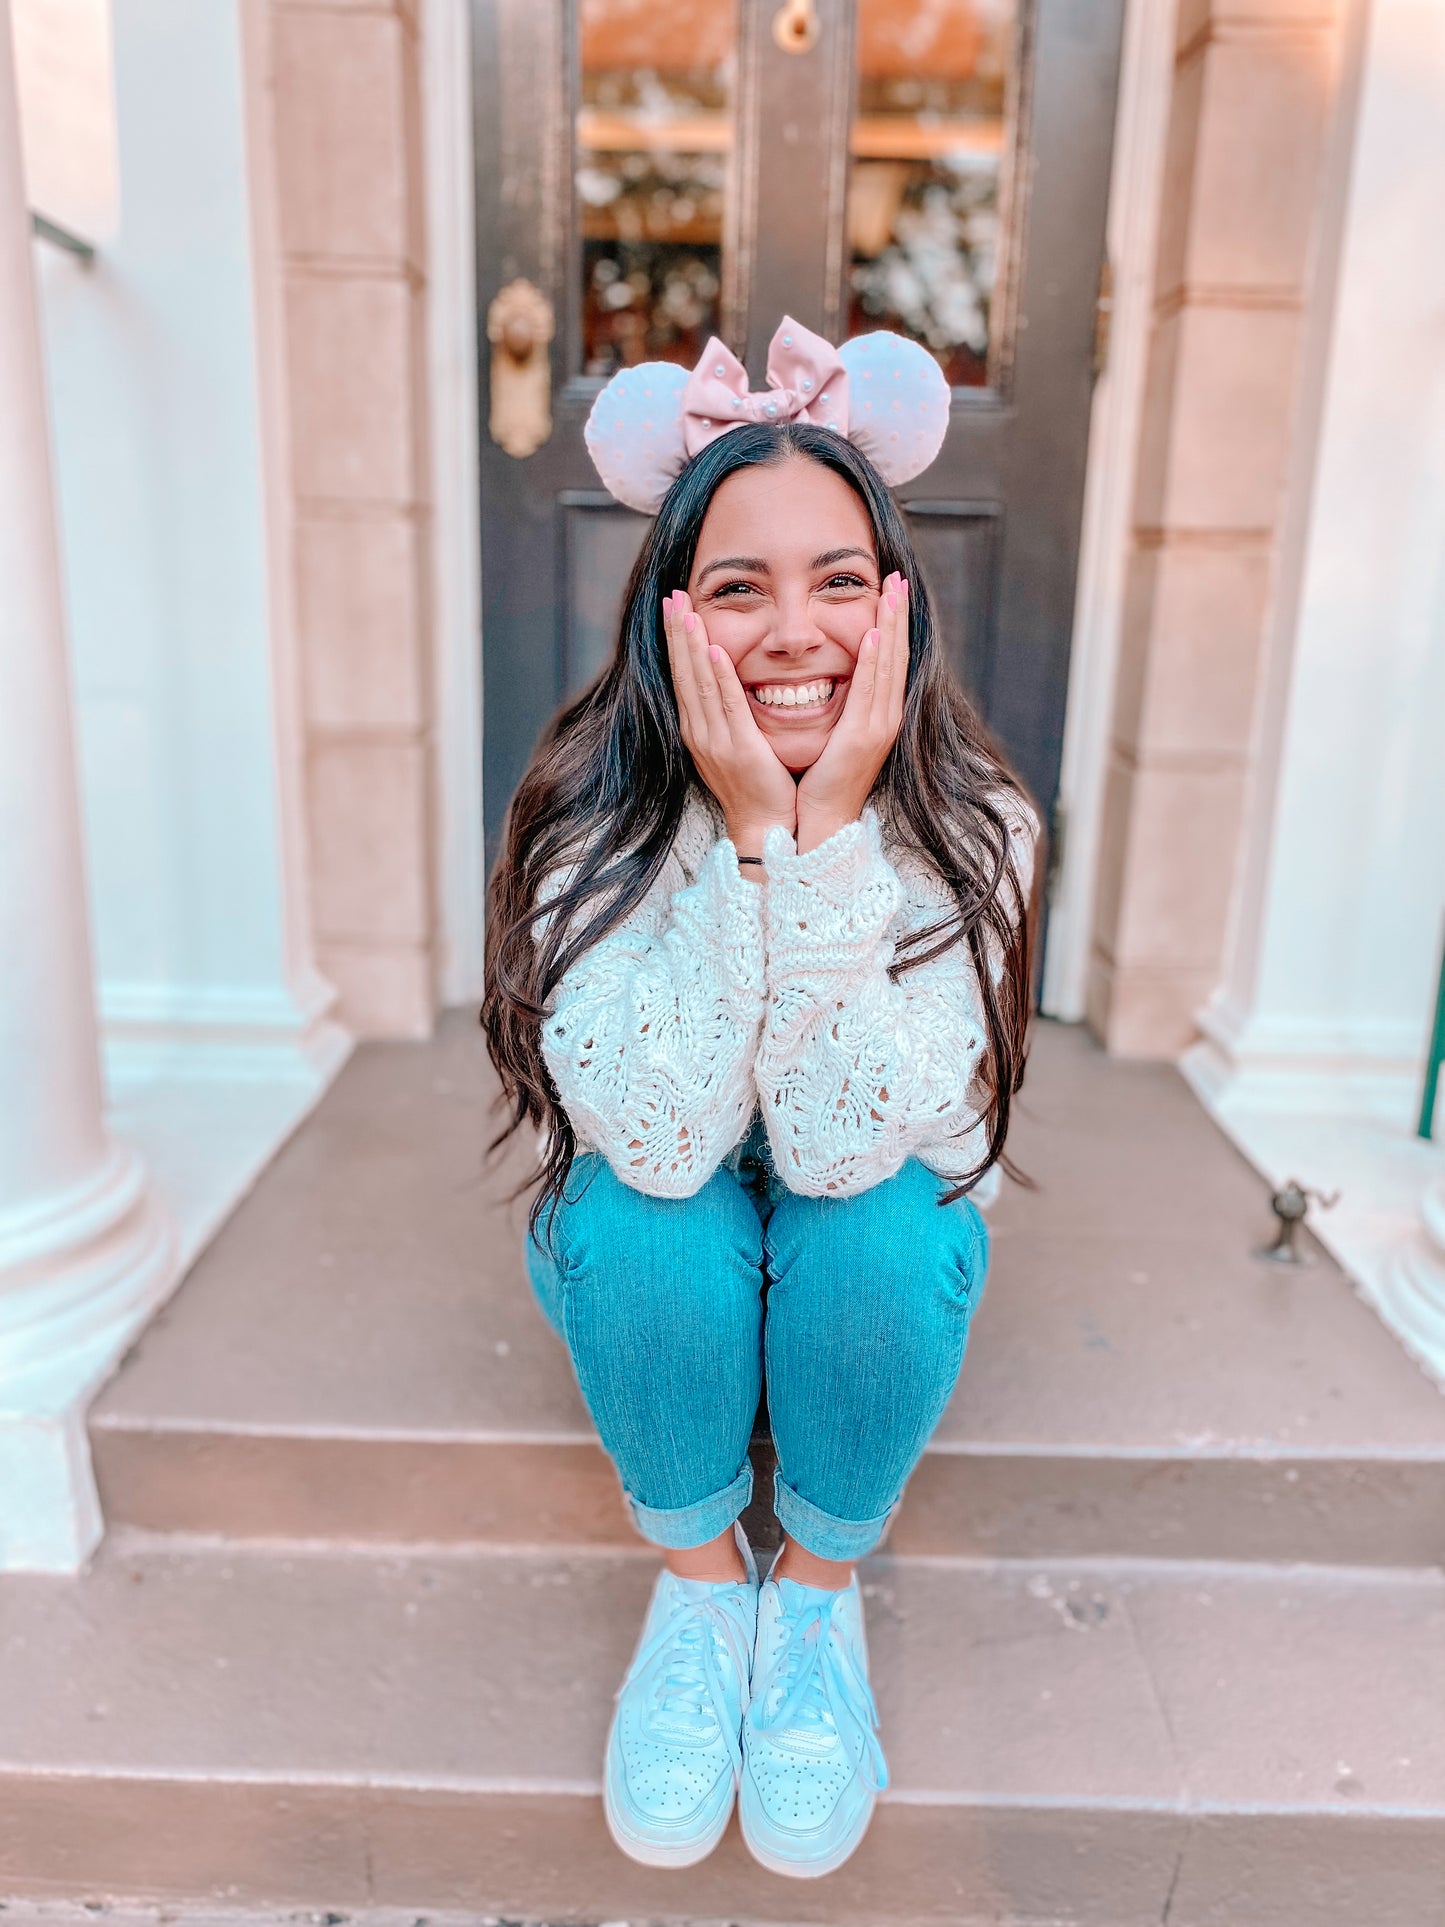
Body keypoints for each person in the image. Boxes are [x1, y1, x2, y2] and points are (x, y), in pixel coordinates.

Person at [481, 317, 1040, 1879]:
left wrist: (835, 826)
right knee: (636, 1217)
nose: (797, 631)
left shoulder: (978, 826)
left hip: (859, 1194)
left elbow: (846, 1140)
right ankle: (704, 1584)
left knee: (872, 1224)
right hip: (673, 1198)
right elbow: (660, 1135)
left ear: (895, 607)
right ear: (672, 621)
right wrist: (743, 835)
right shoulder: (583, 816)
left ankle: (813, 1604)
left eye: (839, 582)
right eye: (739, 588)